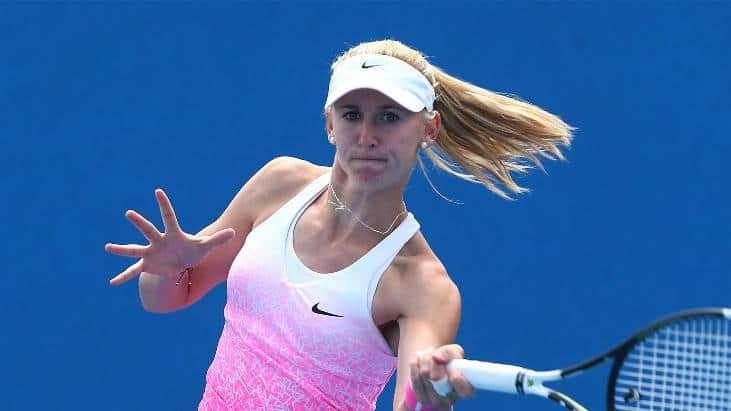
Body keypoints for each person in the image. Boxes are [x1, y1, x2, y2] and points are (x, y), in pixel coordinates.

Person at [105, 39, 573, 411]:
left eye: (389, 117)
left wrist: (432, 396)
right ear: (330, 123)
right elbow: (166, 299)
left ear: (428, 129)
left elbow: (414, 402)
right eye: (352, 115)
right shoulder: (279, 184)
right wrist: (167, 270)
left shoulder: (423, 287)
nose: (367, 137)